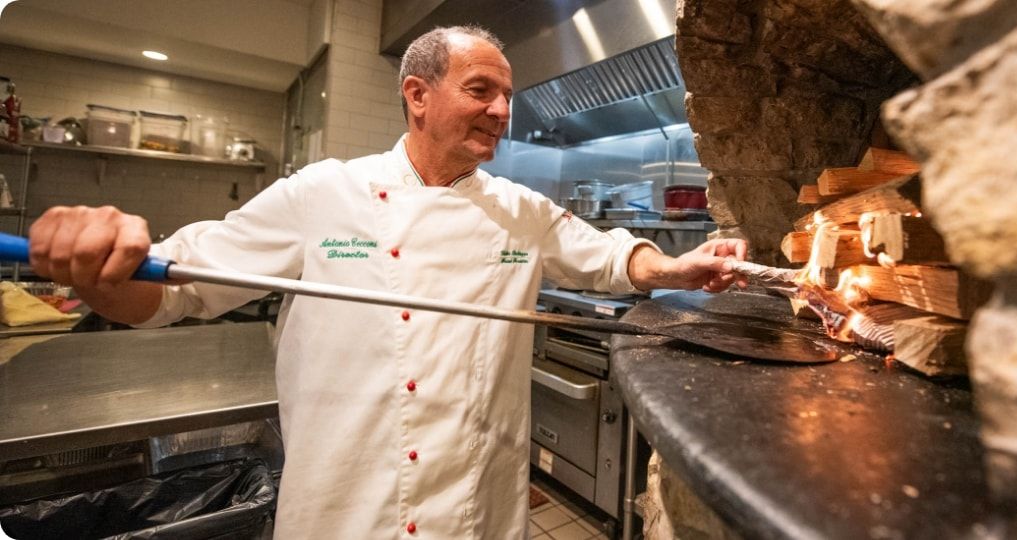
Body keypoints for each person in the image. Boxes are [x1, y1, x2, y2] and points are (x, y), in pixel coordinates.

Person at [26, 26, 746, 538]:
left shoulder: (519, 209)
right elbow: (178, 287)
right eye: (481, 90)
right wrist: (100, 273)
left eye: (507, 95)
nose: (501, 111)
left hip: (476, 507)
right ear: (417, 96)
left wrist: (676, 265)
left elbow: (611, 257)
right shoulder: (323, 193)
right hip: (346, 506)